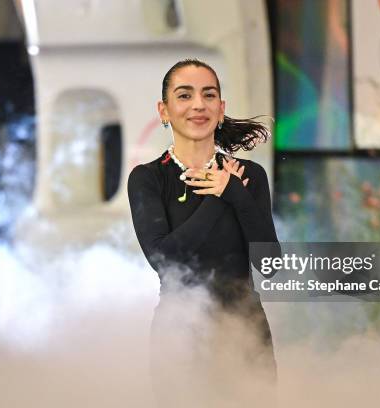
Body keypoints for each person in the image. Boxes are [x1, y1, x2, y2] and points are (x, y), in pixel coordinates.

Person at [127, 59, 278, 406]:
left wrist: (236, 193)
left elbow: (270, 266)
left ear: (221, 109)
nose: (198, 104)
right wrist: (220, 197)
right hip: (180, 335)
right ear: (164, 110)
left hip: (247, 332)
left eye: (208, 95)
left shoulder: (248, 176)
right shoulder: (148, 179)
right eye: (185, 95)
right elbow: (165, 259)